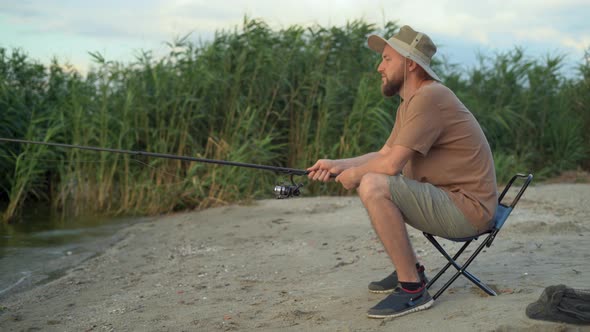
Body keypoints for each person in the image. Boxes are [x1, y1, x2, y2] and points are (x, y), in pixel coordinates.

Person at [307, 25, 498, 319]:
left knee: (373, 184)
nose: (378, 66)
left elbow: (390, 166)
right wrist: (338, 164)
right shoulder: (411, 102)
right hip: (453, 201)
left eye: (386, 59)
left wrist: (357, 176)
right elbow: (384, 153)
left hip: (468, 210)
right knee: (372, 178)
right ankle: (408, 270)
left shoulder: (429, 97)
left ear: (410, 64)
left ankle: (412, 288)